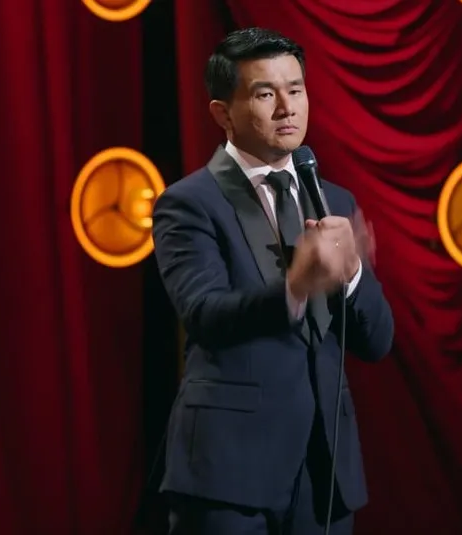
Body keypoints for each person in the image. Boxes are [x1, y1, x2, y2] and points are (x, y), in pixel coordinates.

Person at [152, 27, 394, 535]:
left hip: (322, 472)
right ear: (222, 112)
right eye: (265, 93)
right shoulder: (189, 203)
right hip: (229, 472)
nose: (287, 108)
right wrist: (295, 287)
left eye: (296, 89)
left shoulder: (334, 201)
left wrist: (351, 273)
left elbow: (377, 340)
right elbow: (206, 313)